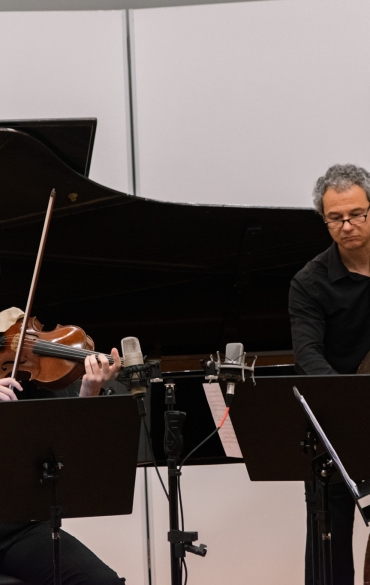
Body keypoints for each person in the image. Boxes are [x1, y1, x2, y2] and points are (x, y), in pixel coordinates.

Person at [289, 163, 370, 585]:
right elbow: (308, 356)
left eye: (358, 213)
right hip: (338, 424)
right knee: (329, 554)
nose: (348, 225)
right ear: (325, 221)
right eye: (336, 218)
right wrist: (351, 404)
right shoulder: (310, 283)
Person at [0, 307, 123, 585]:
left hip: (16, 528)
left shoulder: (21, 374)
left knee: (102, 582)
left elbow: (63, 448)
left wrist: (89, 391)